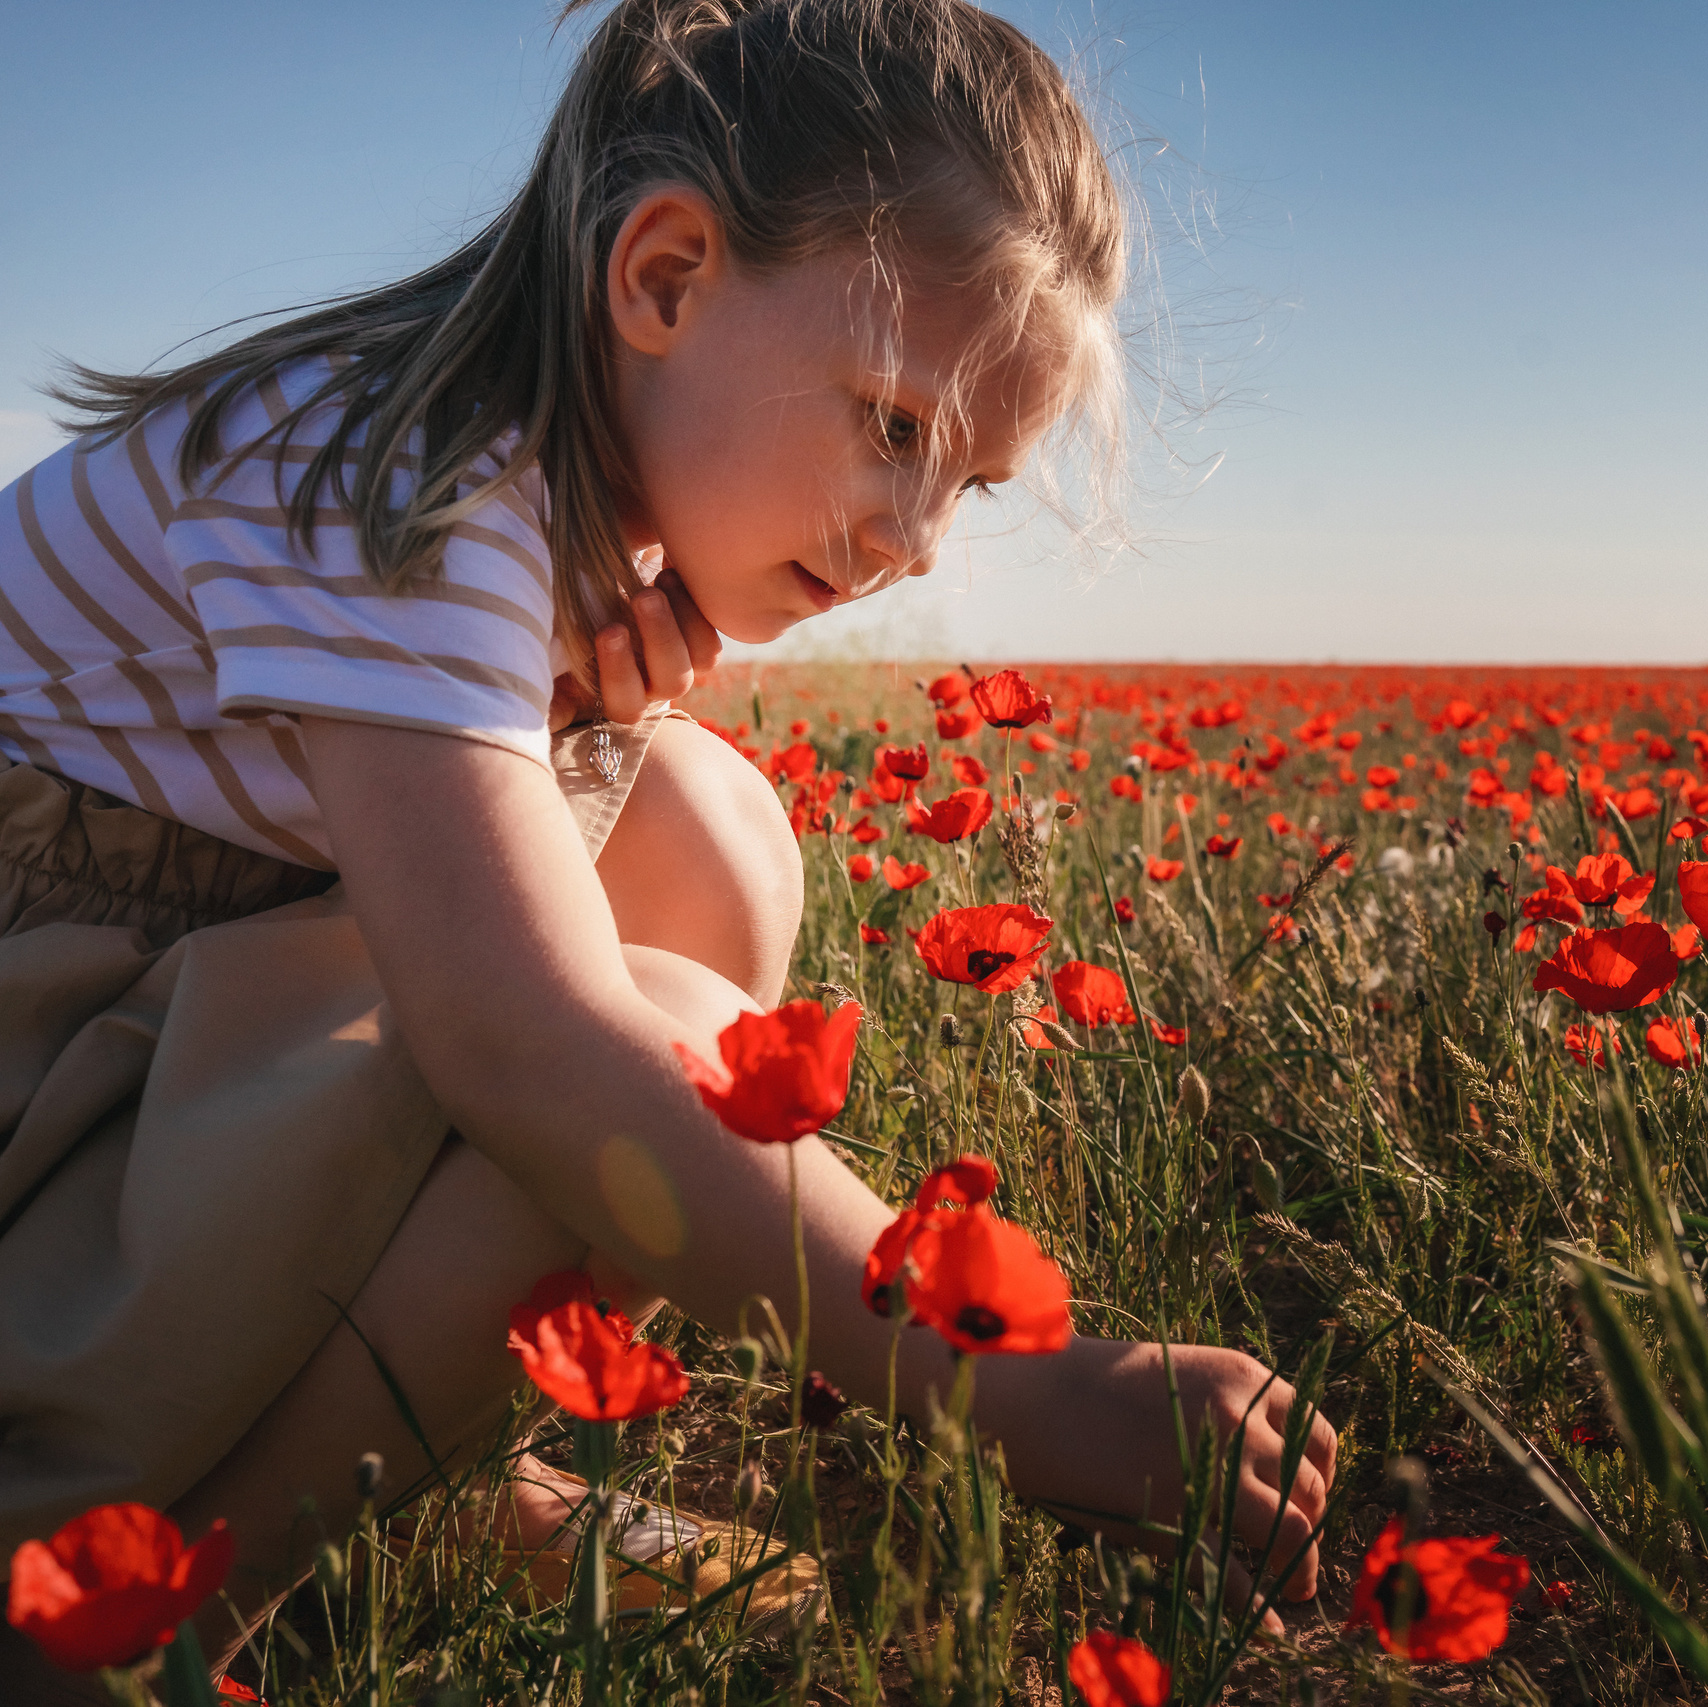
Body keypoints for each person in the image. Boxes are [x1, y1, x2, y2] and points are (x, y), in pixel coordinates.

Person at [0, 0, 1331, 1693]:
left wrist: (579, 721)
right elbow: (526, 1040)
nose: (913, 541)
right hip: (33, 1088)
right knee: (672, 1048)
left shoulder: (495, 478)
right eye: (896, 425)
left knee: (697, 827)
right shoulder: (387, 488)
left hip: (137, 1021)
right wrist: (1020, 1389)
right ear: (666, 278)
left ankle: (422, 1494)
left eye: (970, 485)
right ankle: (147, 1608)